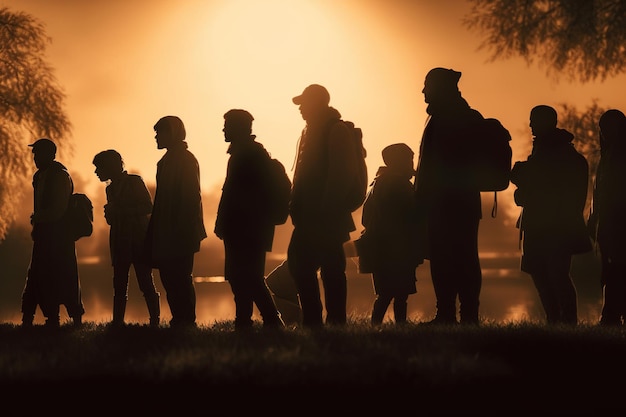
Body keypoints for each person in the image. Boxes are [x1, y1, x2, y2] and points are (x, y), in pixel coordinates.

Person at [413, 67, 485, 325]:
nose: (423, 90)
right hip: (459, 203)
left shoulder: (449, 117)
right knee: (458, 258)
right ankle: (459, 315)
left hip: (449, 204)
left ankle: (454, 315)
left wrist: (424, 200)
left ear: (440, 88)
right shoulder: (457, 115)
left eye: (427, 85)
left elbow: (442, 166)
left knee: (452, 259)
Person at [510, 105, 591, 325]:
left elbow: (539, 182)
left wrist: (522, 177)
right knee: (540, 272)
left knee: (556, 274)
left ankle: (566, 320)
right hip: (540, 224)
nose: (530, 125)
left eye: (534, 120)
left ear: (547, 122)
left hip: (554, 226)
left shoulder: (559, 154)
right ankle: (555, 319)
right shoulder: (546, 150)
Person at [288, 84, 359, 327]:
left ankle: (332, 322)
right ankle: (315, 320)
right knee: (304, 266)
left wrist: (327, 209)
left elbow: (342, 173)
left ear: (317, 104)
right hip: (310, 217)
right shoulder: (310, 131)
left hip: (326, 216)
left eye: (304, 103)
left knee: (330, 270)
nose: (300, 109)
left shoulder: (335, 130)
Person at [214, 109, 285, 330]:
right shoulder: (246, 153)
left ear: (240, 127)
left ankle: (269, 321)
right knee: (242, 278)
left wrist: (224, 221)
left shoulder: (247, 155)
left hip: (247, 228)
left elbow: (237, 194)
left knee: (248, 277)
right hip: (248, 227)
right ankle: (246, 322)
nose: (223, 129)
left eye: (227, 125)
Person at [146, 116, 207, 328]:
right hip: (166, 231)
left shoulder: (186, 159)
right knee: (169, 278)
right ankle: (178, 319)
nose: (156, 137)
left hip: (181, 231)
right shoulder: (166, 161)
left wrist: (181, 230)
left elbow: (191, 197)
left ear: (171, 134)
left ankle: (187, 321)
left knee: (180, 277)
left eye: (159, 132)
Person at [21, 138, 85, 328]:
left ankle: (74, 318)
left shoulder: (59, 176)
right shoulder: (39, 176)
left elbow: (58, 209)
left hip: (59, 236)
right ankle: (36, 318)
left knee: (64, 276)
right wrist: (37, 225)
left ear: (51, 154)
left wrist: (39, 218)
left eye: (38, 153)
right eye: (34, 154)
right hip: (44, 235)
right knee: (37, 277)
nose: (34, 157)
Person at [93, 149, 161, 327]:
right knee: (119, 284)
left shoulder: (134, 181)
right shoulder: (109, 189)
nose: (96, 172)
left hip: (138, 239)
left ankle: (155, 321)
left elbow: (147, 207)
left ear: (110, 166)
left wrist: (119, 212)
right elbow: (114, 219)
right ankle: (117, 322)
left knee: (145, 282)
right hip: (119, 241)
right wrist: (110, 215)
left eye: (98, 167)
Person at [361, 143, 421, 325]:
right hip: (395, 249)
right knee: (395, 294)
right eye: (408, 159)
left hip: (383, 248)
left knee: (388, 293)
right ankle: (394, 326)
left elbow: (365, 219)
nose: (411, 163)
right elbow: (413, 213)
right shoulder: (397, 184)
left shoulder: (379, 183)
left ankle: (379, 325)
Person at [587, 109, 626, 326]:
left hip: (618, 226)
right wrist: (593, 219)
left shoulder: (617, 156)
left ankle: (610, 317)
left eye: (611, 128)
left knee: (616, 270)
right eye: (603, 128)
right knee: (611, 270)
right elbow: (599, 193)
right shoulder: (608, 155)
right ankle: (610, 316)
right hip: (608, 226)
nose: (606, 132)